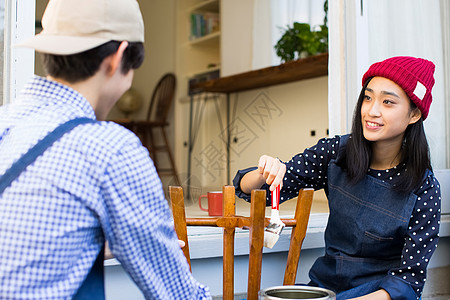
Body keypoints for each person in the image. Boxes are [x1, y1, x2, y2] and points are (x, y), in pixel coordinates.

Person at [0, 0, 211, 299]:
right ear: (118, 57)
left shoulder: (4, 121)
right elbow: (179, 295)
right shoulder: (111, 148)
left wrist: (91, 238)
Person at [233, 56, 441, 300]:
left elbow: (408, 282)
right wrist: (265, 170)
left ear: (414, 114)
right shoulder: (337, 153)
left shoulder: (424, 188)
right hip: (325, 289)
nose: (372, 110)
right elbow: (254, 190)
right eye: (368, 97)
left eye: (387, 102)